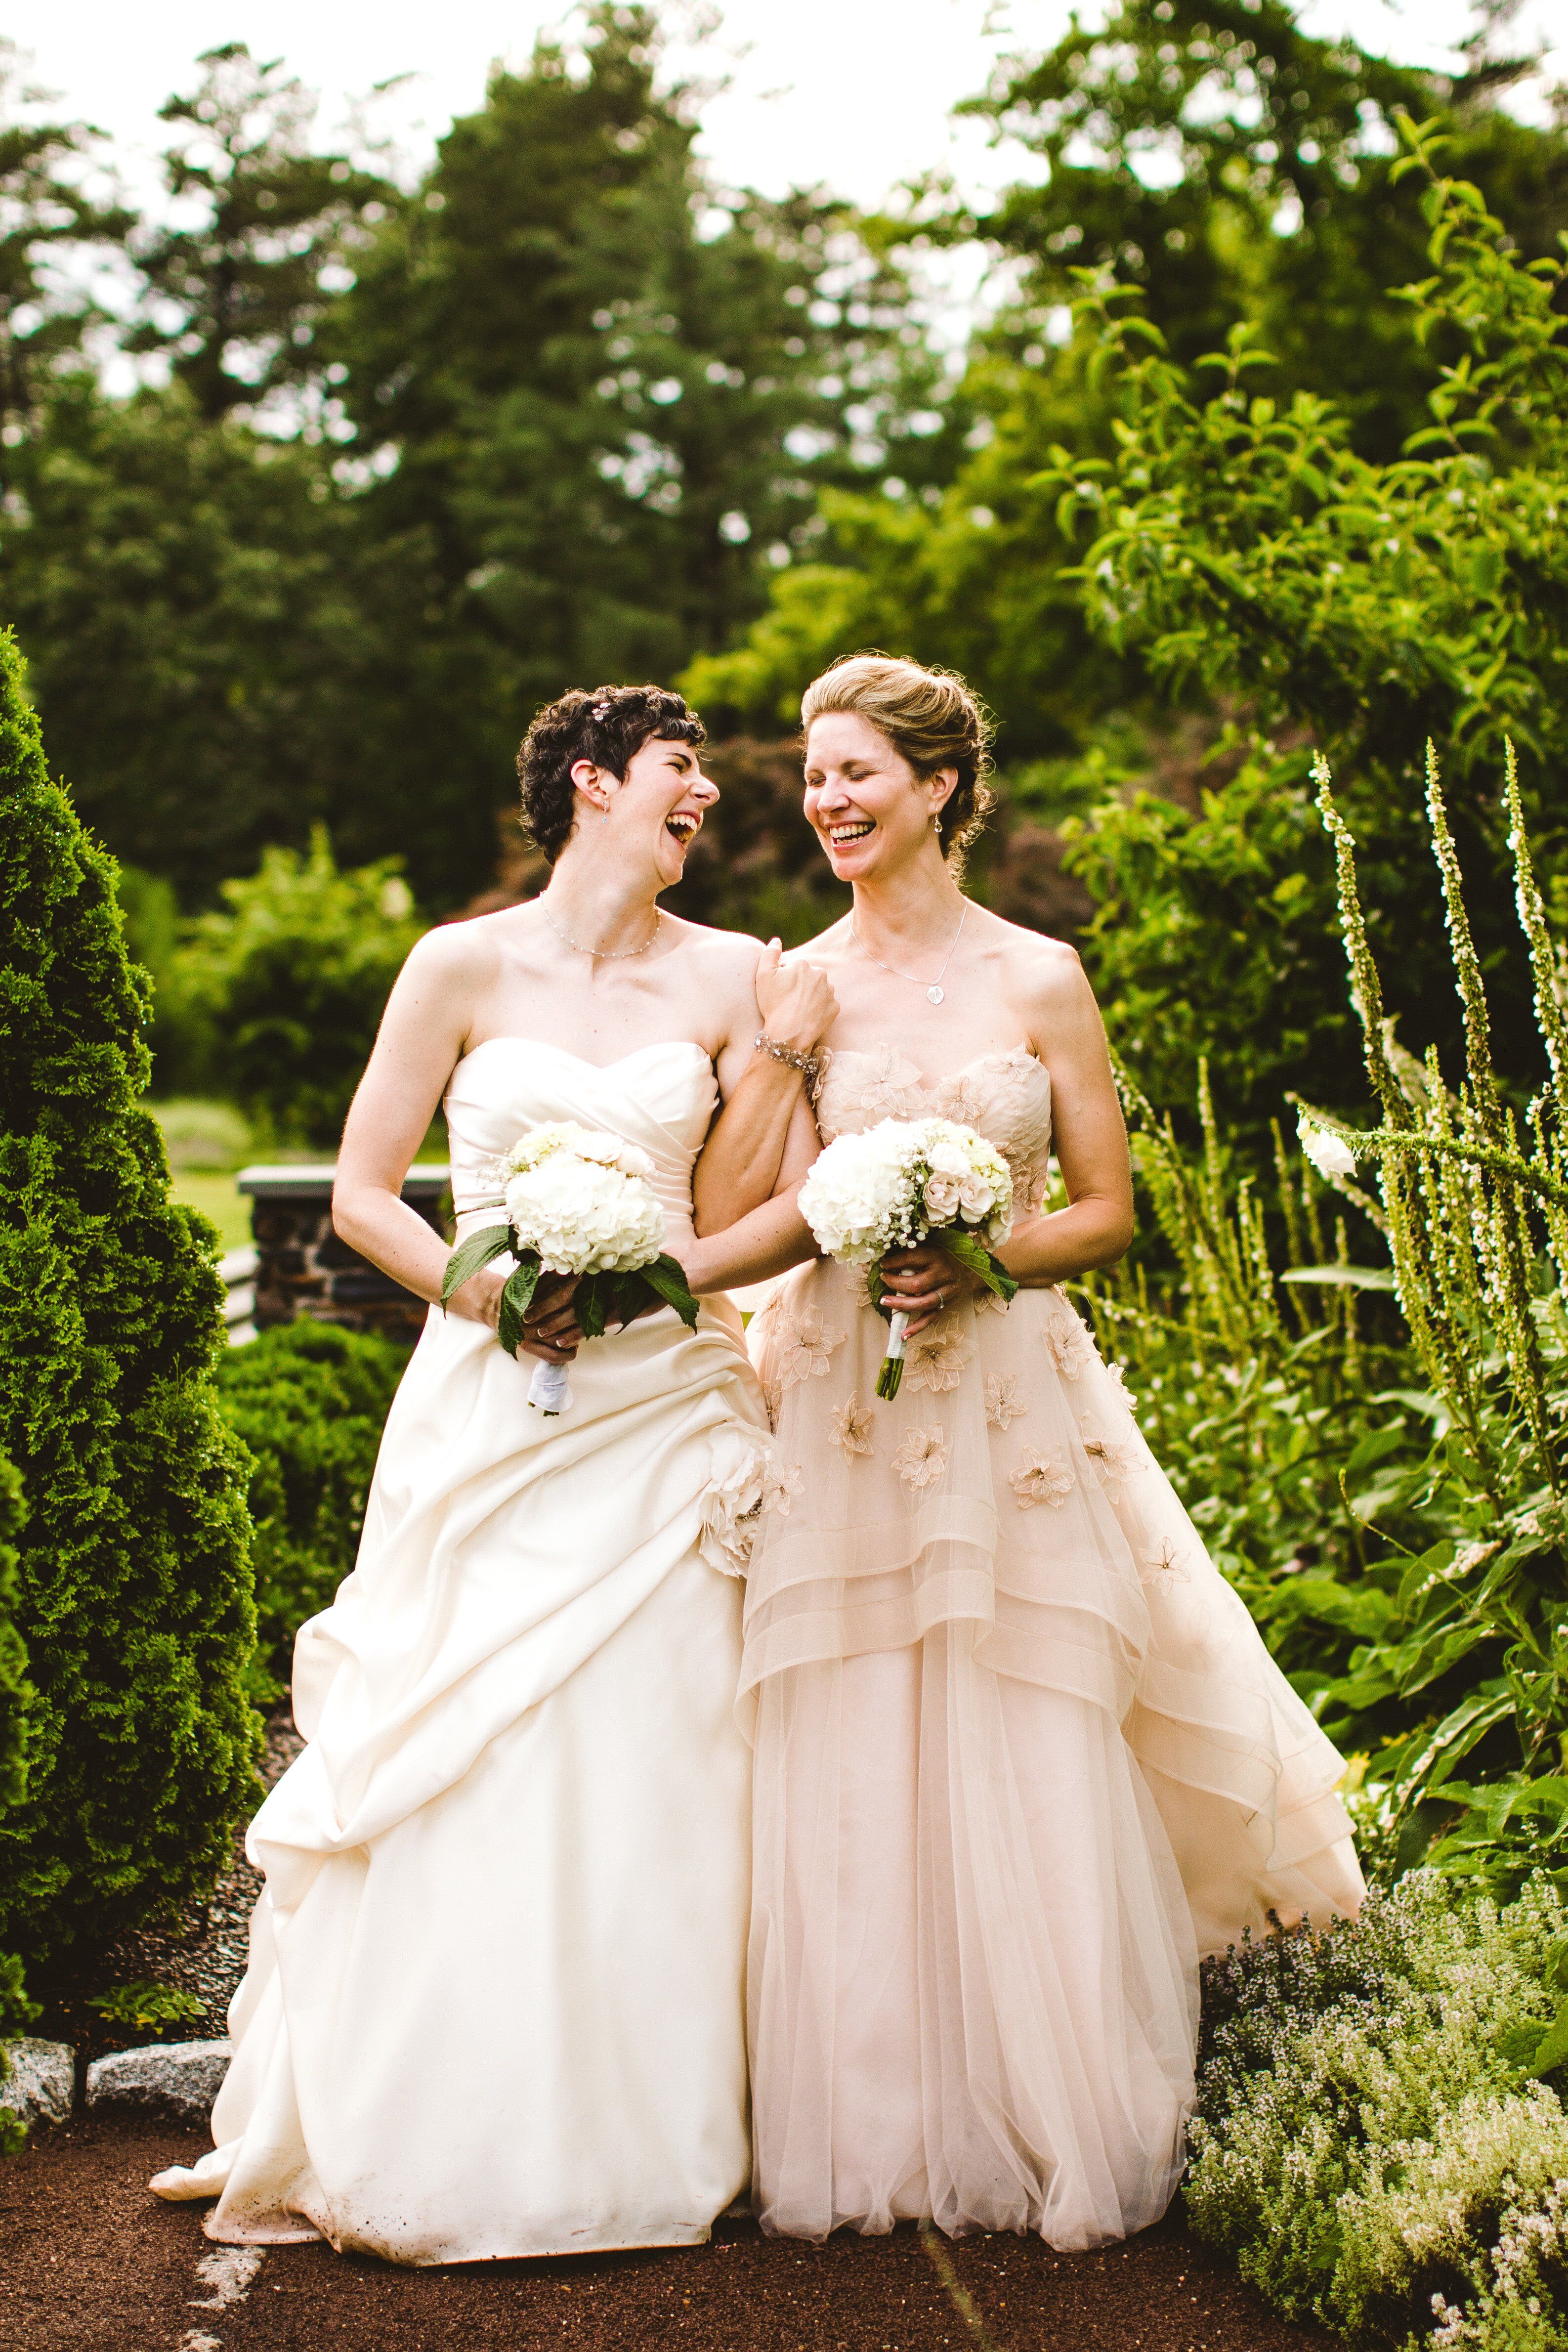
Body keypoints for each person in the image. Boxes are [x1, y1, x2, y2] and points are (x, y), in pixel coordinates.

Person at [151, 684, 832, 2264]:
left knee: (663, 1750)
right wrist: (489, 1287)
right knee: (466, 1746)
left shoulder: (747, 976)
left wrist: (651, 1281)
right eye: (683, 772)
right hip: (491, 1404)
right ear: (593, 783)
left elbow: (774, 1197)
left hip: (663, 1412)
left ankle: (653, 2126)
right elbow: (367, 1191)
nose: (710, 801)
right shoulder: (458, 964)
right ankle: (432, 2111)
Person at [735, 653, 1364, 2250]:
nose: (826, 802)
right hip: (847, 1395)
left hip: (1009, 1389)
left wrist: (989, 1255)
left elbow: (1107, 1208)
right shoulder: (794, 983)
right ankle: (876, 2120)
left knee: (1032, 1700)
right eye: (813, 778)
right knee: (859, 1718)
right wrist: (781, 1077)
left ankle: (1052, 2094)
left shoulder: (1040, 976)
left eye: (856, 773)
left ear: (939, 787)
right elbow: (757, 1203)